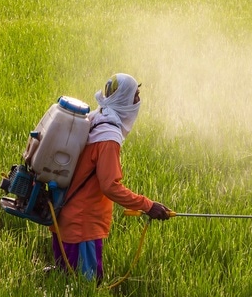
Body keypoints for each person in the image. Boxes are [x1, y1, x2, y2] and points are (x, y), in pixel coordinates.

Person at [51, 73, 170, 281]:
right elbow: (110, 186)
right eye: (136, 96)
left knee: (65, 285)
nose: (138, 101)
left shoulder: (95, 118)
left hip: (65, 217)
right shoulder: (108, 137)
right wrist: (148, 205)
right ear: (124, 99)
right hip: (82, 226)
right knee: (84, 290)